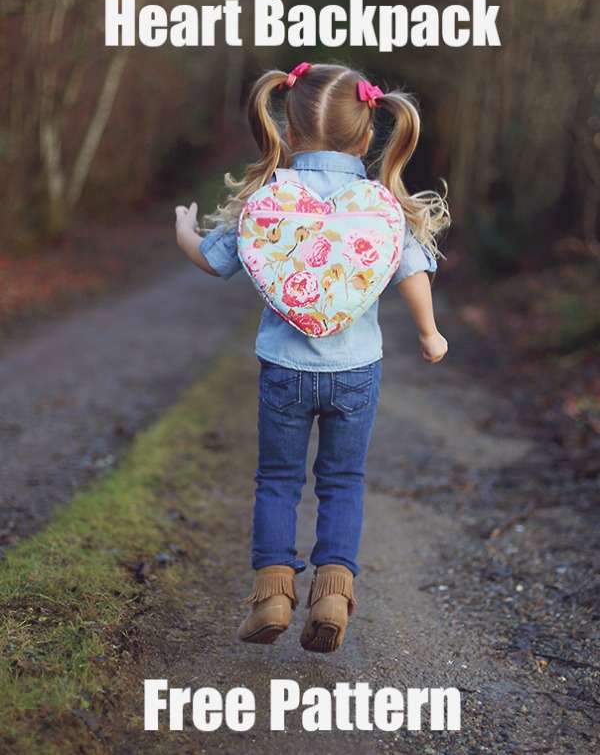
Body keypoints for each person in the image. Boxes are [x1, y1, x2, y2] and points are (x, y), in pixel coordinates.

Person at [175, 62, 449, 653]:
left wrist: (184, 233)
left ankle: (272, 594)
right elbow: (412, 269)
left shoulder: (269, 199)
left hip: (284, 370)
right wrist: (429, 333)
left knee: (277, 480)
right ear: (367, 134)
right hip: (356, 372)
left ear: (289, 130)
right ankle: (332, 593)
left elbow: (216, 260)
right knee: (343, 482)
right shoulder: (379, 204)